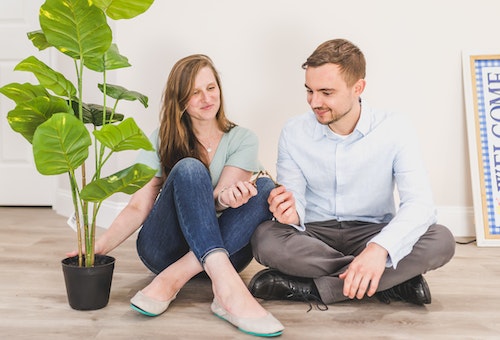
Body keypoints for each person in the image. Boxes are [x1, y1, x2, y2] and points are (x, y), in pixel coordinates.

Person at [70, 54, 284, 337]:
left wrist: (227, 199)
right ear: (180, 100)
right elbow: (138, 206)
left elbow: (220, 197)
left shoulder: (242, 138)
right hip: (164, 250)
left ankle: (174, 278)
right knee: (189, 168)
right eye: (194, 93)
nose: (206, 98)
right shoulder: (160, 138)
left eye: (211, 87)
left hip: (226, 251)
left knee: (267, 189)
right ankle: (227, 291)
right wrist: (100, 246)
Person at [248, 39, 456, 309]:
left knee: (442, 240)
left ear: (358, 88)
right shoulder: (294, 131)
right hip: (314, 235)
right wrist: (291, 211)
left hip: (373, 231)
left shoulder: (395, 128)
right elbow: (295, 197)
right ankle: (391, 281)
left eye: (326, 92)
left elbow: (420, 204)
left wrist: (379, 250)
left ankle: (312, 287)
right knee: (265, 238)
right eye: (309, 91)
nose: (314, 102)